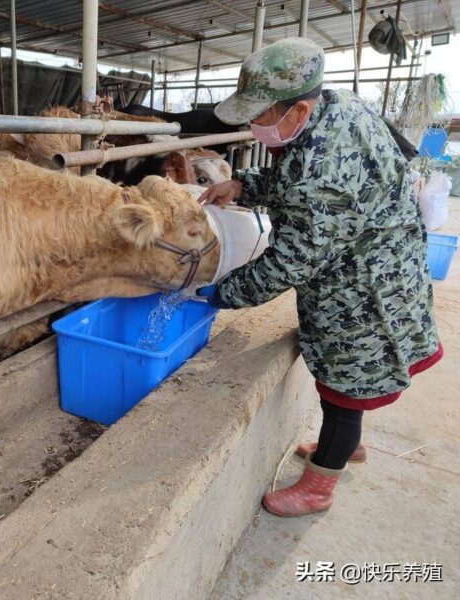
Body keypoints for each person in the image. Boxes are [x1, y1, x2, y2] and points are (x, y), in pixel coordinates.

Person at [196, 38, 443, 517]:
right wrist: (246, 183)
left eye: (260, 115)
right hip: (385, 259)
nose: (253, 127)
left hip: (364, 288)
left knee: (345, 388)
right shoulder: (338, 106)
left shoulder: (321, 167)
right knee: (353, 381)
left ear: (298, 109)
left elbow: (290, 261)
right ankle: (344, 447)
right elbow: (299, 180)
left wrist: (223, 293)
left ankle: (318, 486)